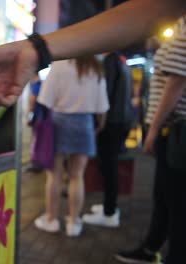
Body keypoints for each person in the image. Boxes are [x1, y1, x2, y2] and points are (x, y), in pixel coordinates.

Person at [0, 0, 185, 108]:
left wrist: (36, 49)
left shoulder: (65, 67)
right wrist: (35, 49)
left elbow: (154, 12)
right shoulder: (97, 68)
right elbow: (155, 10)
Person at [116, 17, 186, 264]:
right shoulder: (177, 27)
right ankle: (151, 247)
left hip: (176, 129)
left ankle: (173, 255)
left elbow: (177, 82)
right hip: (172, 129)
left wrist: (154, 129)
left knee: (177, 202)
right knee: (165, 196)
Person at [33, 56, 109, 237]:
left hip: (58, 123)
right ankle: (74, 223)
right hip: (85, 124)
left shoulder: (59, 65)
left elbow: (45, 100)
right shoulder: (96, 66)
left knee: (54, 175)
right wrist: (99, 125)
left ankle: (51, 220)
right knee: (77, 176)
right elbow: (102, 107)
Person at [82, 53, 134, 228]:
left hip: (111, 123)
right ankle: (108, 206)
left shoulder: (110, 62)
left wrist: (98, 121)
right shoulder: (121, 61)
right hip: (122, 120)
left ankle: (109, 212)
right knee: (110, 166)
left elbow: (104, 95)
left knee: (109, 167)